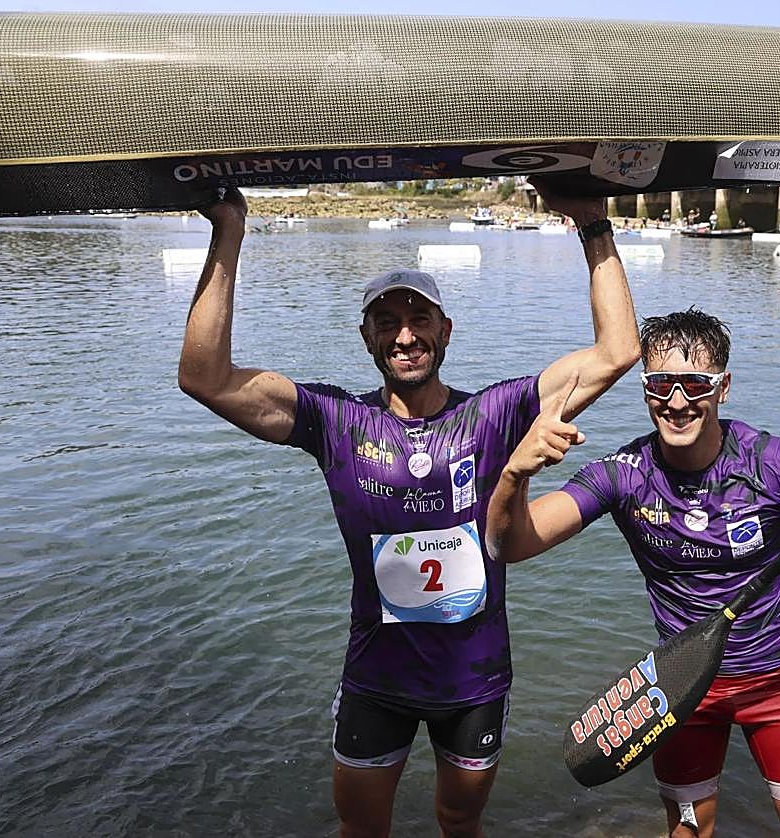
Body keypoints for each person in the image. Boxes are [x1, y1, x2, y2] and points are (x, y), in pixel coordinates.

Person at [178, 182, 640, 838]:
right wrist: (230, 228)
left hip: (474, 684)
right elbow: (204, 376)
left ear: (444, 330)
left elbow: (618, 350)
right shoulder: (334, 421)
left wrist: (593, 222)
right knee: (361, 830)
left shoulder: (497, 414)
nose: (405, 336)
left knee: (459, 822)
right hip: (377, 679)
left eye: (419, 319)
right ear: (366, 336)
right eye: (387, 322)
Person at [485, 309, 780, 838]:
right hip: (681, 688)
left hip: (775, 684)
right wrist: (513, 474)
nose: (678, 401)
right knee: (688, 833)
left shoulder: (773, 462)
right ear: (645, 390)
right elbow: (510, 544)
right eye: (662, 384)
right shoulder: (623, 474)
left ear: (723, 387)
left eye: (695, 384)